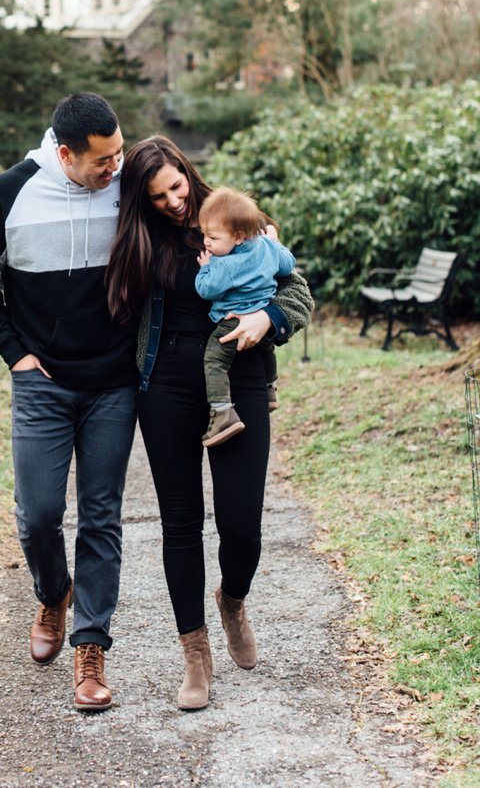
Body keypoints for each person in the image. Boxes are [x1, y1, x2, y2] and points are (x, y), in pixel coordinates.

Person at [105, 136, 313, 712]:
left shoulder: (233, 215)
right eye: (157, 196)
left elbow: (297, 290)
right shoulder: (138, 239)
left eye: (175, 185)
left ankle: (233, 600)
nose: (172, 201)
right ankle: (195, 653)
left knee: (242, 523)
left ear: (186, 172)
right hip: (166, 383)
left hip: (239, 375)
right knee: (180, 523)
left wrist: (267, 318)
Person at [0, 91, 137, 712]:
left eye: (120, 152)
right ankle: (53, 591)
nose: (116, 167)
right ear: (64, 153)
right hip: (43, 382)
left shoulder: (129, 184)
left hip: (114, 383)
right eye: (102, 160)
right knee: (37, 516)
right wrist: (13, 352)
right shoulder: (8, 193)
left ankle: (91, 650)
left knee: (101, 515)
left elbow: (192, 217)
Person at [194, 187, 294, 448]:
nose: (206, 242)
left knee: (214, 360)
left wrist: (205, 269)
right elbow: (287, 265)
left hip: (233, 322)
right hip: (261, 320)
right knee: (266, 349)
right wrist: (274, 242)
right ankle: (270, 388)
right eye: (204, 234)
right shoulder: (266, 248)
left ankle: (222, 412)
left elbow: (206, 290)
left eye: (213, 237)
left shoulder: (223, 264)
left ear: (237, 237)